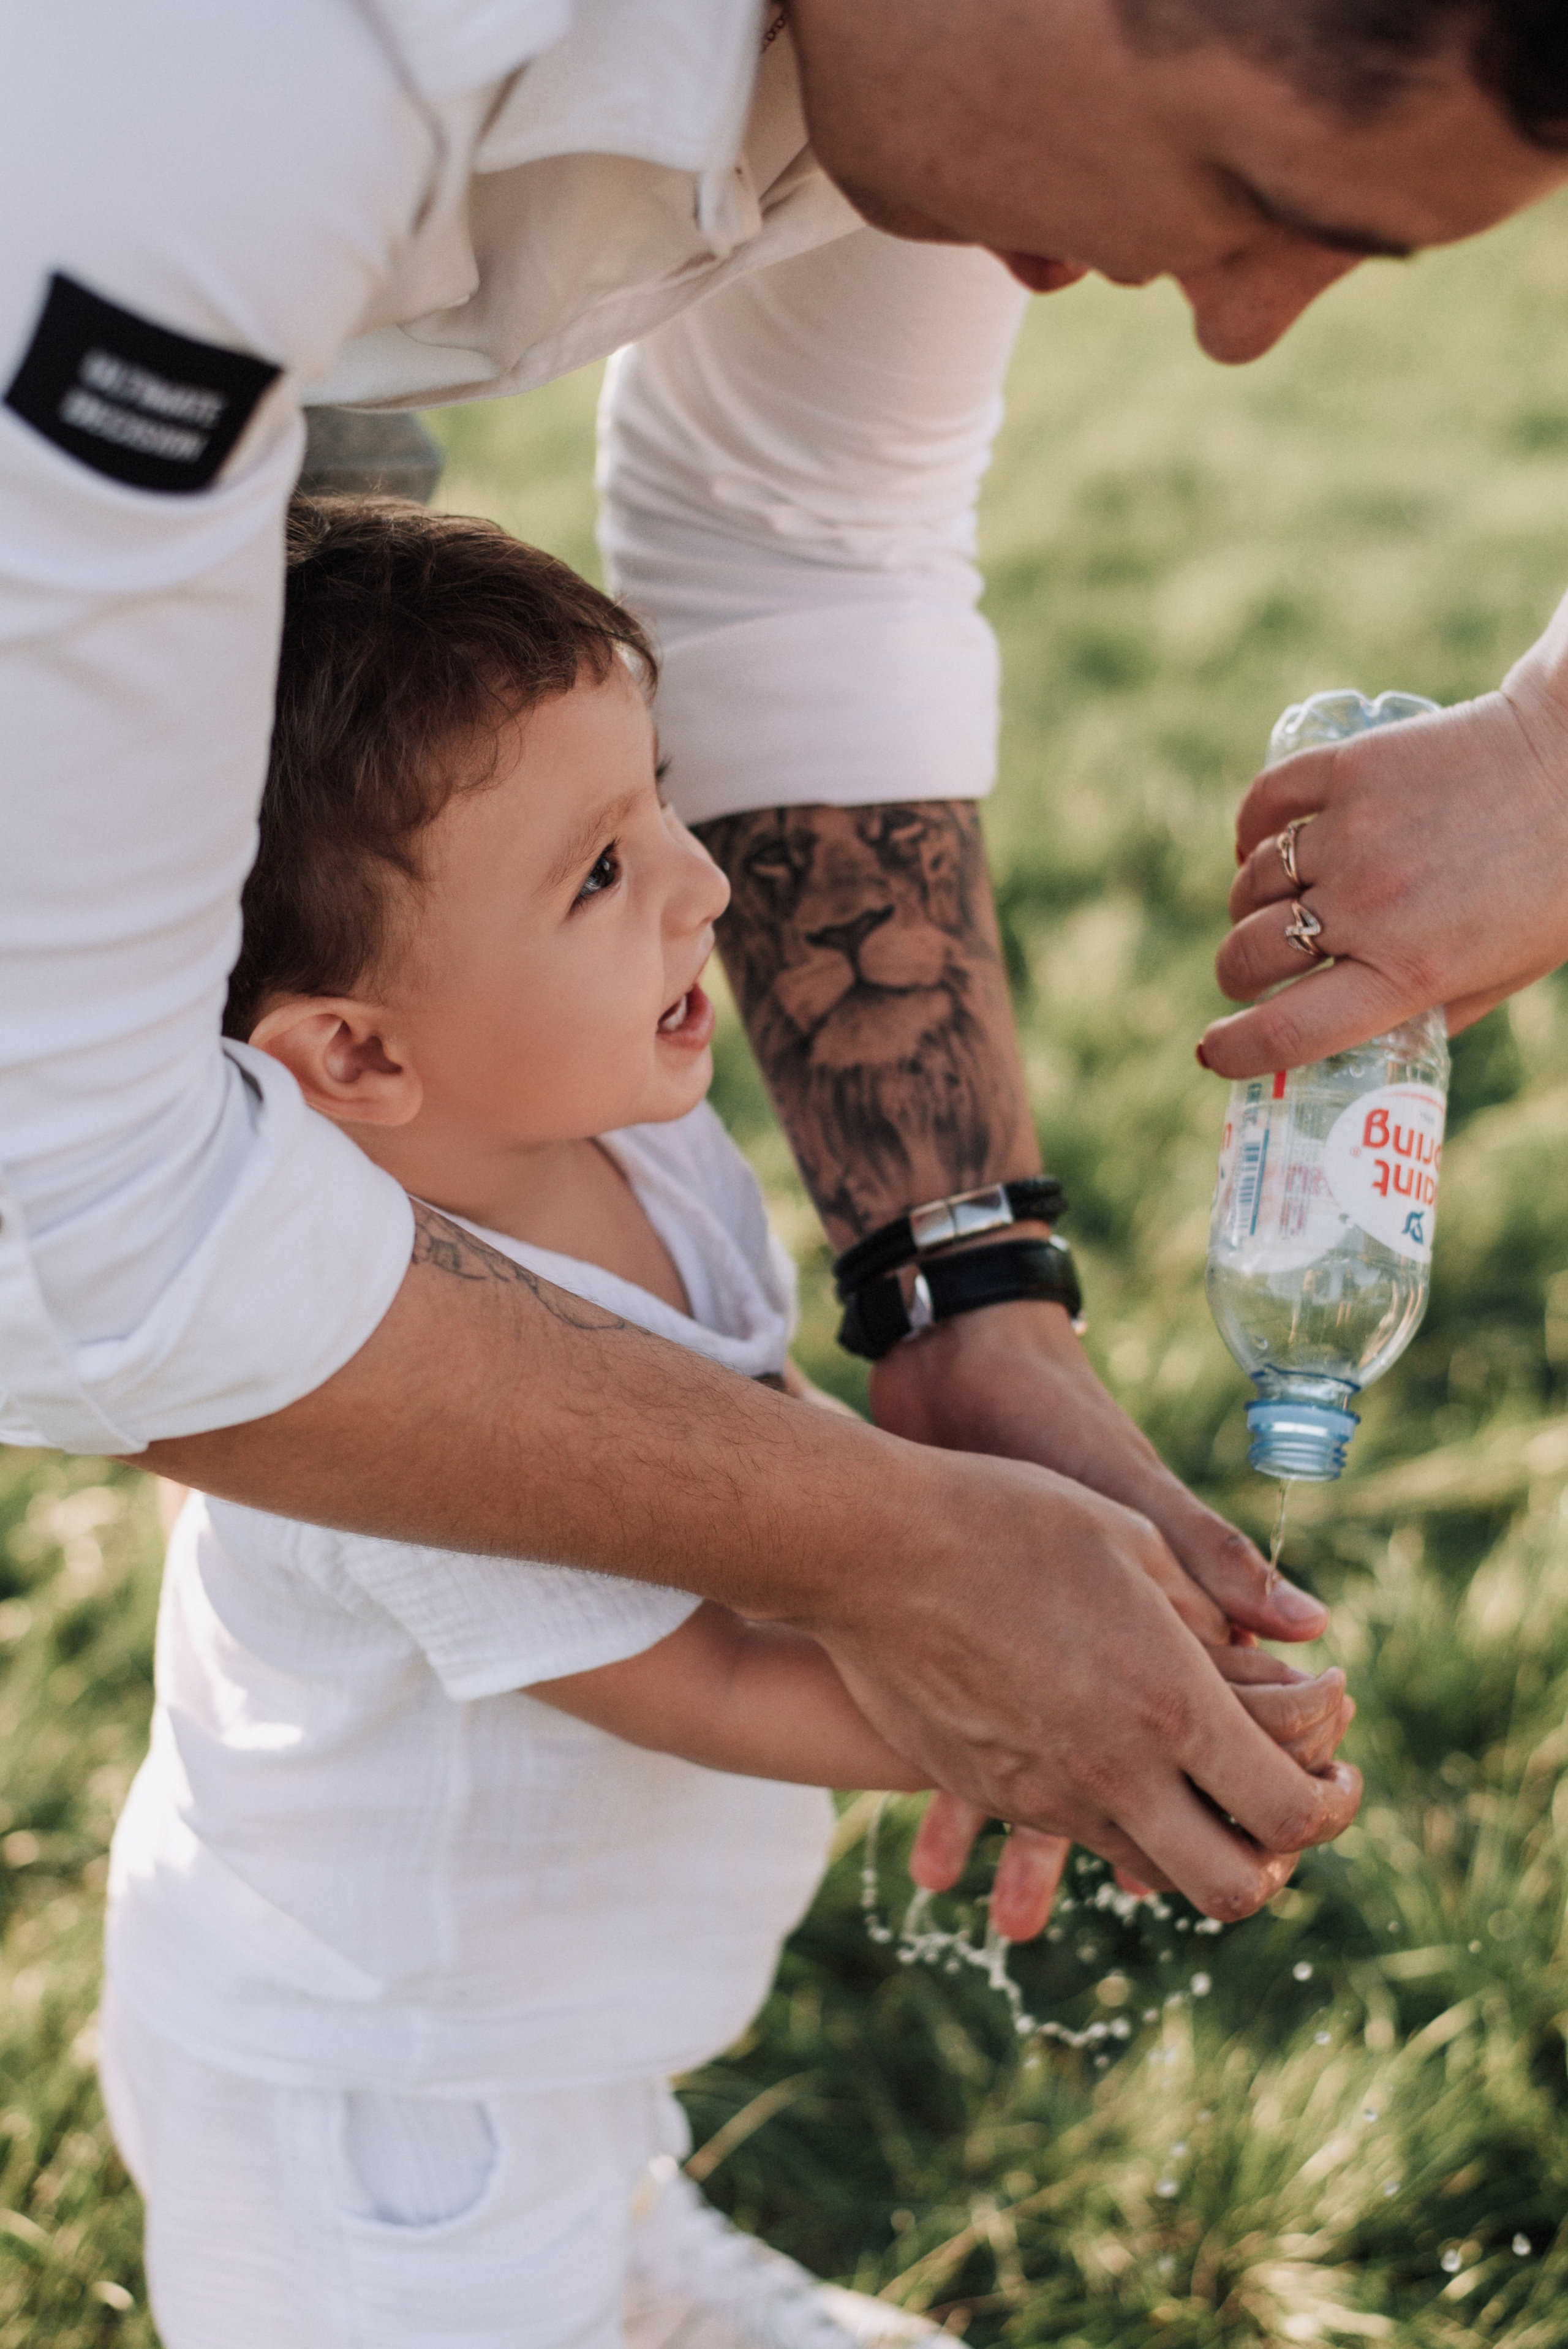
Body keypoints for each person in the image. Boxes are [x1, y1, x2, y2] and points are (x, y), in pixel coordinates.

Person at [17, 0, 1557, 1909]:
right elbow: (59, 1200)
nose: (1241, 324)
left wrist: (965, 1305)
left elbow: (791, 535)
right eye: (1252, 196)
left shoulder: (953, 77)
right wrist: (913, 1557)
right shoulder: (212, 97)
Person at [99, 499, 1355, 2349]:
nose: (704, 883)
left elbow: (782, 1478)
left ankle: (625, 2256)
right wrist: (1090, 1699)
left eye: (662, 795)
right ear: (358, 1055)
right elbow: (721, 1674)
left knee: (586, 2156)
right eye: (600, 873)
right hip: (385, 2107)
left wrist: (1043, 1579)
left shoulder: (627, 1120)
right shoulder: (381, 1410)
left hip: (544, 2031)